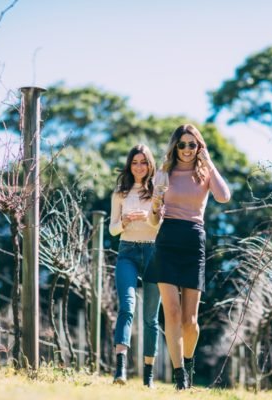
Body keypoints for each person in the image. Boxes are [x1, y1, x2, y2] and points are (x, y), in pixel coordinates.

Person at [148, 124, 231, 390]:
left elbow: (224, 196)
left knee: (190, 321)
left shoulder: (205, 172)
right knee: (171, 312)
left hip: (194, 240)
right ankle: (180, 375)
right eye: (182, 144)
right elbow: (152, 220)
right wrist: (155, 208)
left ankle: (188, 359)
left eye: (192, 145)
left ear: (199, 147)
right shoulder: (164, 173)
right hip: (167, 240)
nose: (186, 150)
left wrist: (209, 162)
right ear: (175, 146)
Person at [109, 144, 161, 388]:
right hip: (127, 251)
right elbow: (112, 229)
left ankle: (148, 376)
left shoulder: (159, 192)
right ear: (129, 166)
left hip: (153, 252)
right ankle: (120, 370)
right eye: (134, 162)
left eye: (143, 162)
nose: (139, 166)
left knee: (151, 317)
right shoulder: (120, 192)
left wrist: (149, 218)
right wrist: (124, 221)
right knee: (127, 306)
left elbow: (161, 226)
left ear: (150, 164)